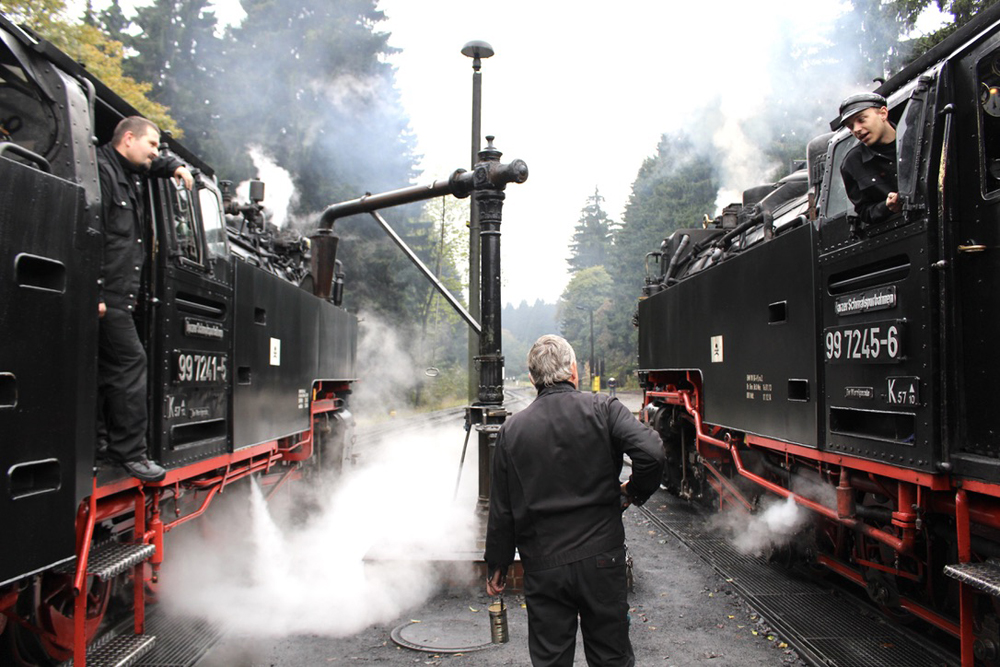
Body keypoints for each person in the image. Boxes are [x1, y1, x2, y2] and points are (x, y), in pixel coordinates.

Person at [484, 335, 665, 666]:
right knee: (611, 658)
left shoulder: (513, 431)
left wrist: (498, 563)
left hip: (544, 567)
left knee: (551, 660)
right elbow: (652, 453)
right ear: (574, 371)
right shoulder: (603, 409)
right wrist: (632, 491)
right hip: (601, 560)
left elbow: (502, 508)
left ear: (532, 378)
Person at [96, 116, 192, 482]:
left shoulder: (127, 171)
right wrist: (97, 292)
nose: (155, 152)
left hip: (120, 297)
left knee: (110, 371)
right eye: (152, 145)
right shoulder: (103, 175)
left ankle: (105, 442)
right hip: (108, 298)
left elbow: (156, 164)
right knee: (130, 363)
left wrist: (176, 166)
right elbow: (89, 231)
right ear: (129, 139)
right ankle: (131, 453)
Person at [838, 92, 901, 225]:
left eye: (861, 120)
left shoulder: (916, 138)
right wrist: (886, 206)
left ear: (883, 113)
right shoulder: (852, 164)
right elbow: (864, 212)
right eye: (851, 126)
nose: (856, 129)